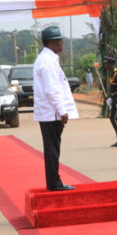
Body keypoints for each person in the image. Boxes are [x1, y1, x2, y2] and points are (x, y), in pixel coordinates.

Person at [33, 26, 79, 191]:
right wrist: (62, 111)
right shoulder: (47, 61)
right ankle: (54, 183)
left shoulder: (49, 59)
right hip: (51, 113)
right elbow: (51, 89)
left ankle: (54, 181)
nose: (61, 43)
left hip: (50, 112)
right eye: (58, 40)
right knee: (52, 149)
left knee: (52, 148)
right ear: (49, 43)